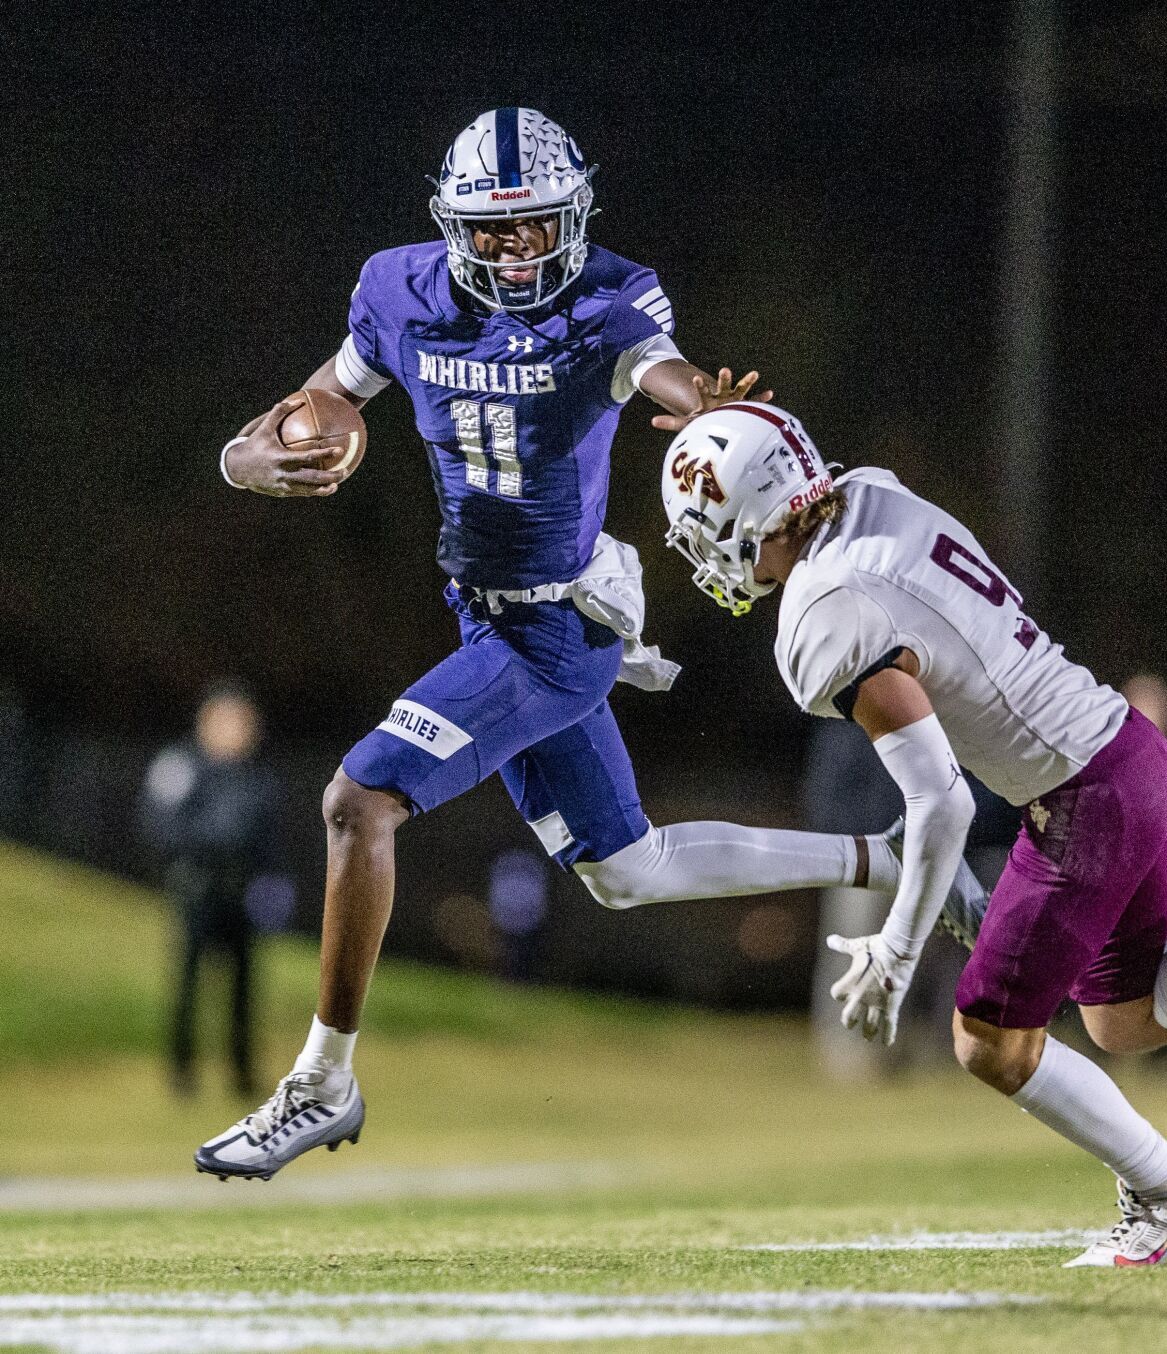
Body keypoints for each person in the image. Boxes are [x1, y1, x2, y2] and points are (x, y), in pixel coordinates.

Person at [196, 109, 985, 1182]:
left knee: (357, 800)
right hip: (484, 610)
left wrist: (705, 403)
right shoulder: (398, 290)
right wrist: (253, 454)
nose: (521, 252)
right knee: (626, 870)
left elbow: (658, 367)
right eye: (498, 231)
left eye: (540, 228)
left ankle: (322, 1081)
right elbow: (328, 392)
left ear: (574, 221)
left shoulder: (607, 296)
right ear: (453, 226)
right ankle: (887, 857)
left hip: (557, 630)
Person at [660, 402, 1167, 1268]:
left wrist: (897, 951)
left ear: (750, 519)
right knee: (1122, 1022)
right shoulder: (870, 491)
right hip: (1128, 751)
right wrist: (727, 425)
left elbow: (941, 806)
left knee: (987, 1039)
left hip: (1081, 793)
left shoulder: (824, 616)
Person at [139, 683, 287, 1098]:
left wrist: (274, 884)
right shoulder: (180, 767)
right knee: (187, 986)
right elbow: (160, 824)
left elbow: (269, 841)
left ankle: (242, 1076)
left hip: (241, 895)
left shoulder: (258, 779)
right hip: (197, 890)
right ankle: (181, 1076)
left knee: (243, 991)